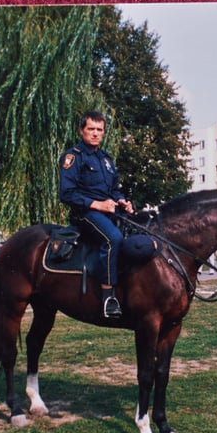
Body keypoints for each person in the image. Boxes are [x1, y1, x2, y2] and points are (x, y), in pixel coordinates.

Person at [59, 111, 134, 318]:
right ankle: (108, 296)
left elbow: (114, 189)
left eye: (99, 130)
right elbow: (66, 194)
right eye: (90, 129)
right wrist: (98, 205)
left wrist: (122, 200)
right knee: (113, 239)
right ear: (82, 130)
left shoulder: (106, 159)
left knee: (139, 233)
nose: (95, 133)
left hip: (110, 211)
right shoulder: (73, 157)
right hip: (85, 213)